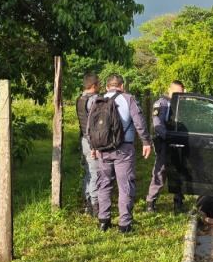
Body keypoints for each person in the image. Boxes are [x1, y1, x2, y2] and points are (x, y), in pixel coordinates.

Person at [89, 74, 152, 233]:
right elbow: (139, 121)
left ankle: (104, 220)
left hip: (103, 149)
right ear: (122, 86)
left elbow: (90, 127)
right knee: (125, 185)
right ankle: (125, 224)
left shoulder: (98, 101)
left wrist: (93, 147)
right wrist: (145, 141)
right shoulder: (128, 98)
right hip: (123, 149)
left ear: (106, 87)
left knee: (104, 184)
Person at [146, 80, 185, 213]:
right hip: (164, 142)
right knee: (160, 171)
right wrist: (169, 137)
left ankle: (178, 201)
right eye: (176, 92)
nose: (178, 95)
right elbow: (157, 124)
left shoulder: (182, 104)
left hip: (179, 142)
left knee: (179, 171)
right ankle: (151, 202)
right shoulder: (161, 104)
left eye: (181, 93)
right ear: (169, 90)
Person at [76, 73, 100, 216]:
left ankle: (86, 203)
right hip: (92, 142)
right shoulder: (94, 100)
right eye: (99, 84)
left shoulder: (79, 98)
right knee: (95, 173)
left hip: (83, 140)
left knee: (88, 173)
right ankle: (94, 206)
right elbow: (95, 125)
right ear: (94, 85)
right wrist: (95, 146)